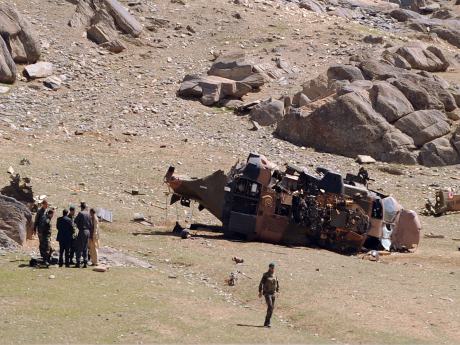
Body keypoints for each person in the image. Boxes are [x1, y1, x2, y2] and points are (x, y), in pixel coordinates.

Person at [258, 263, 280, 328]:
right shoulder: (265, 275)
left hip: (273, 293)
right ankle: (268, 322)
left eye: (273, 268)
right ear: (269, 268)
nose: (273, 269)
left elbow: (277, 283)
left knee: (271, 308)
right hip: (267, 293)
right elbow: (261, 283)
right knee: (270, 306)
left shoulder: (275, 275)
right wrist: (260, 291)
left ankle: (267, 322)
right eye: (271, 267)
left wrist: (278, 291)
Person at [74, 202, 92, 268]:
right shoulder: (88, 214)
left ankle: (78, 262)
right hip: (88, 231)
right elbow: (91, 224)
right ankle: (85, 262)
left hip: (82, 231)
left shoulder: (81, 213)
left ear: (81, 207)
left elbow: (75, 221)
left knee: (79, 247)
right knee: (85, 247)